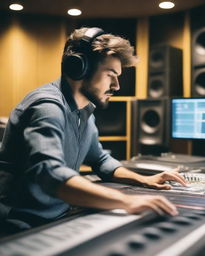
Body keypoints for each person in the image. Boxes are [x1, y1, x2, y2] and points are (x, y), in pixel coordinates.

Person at [0, 26, 187, 234]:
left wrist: (145, 180)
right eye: (110, 75)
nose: (117, 85)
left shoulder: (85, 111)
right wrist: (126, 201)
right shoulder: (47, 107)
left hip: (59, 216)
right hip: (21, 225)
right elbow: (50, 173)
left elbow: (100, 160)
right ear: (79, 67)